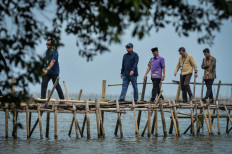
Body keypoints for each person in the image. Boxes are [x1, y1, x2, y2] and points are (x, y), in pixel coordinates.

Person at [41, 39, 65, 103]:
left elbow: (52, 62)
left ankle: (62, 100)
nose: (47, 45)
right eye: (46, 44)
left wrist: (46, 69)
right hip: (48, 72)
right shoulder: (47, 51)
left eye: (48, 44)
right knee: (44, 84)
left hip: (54, 72)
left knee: (56, 85)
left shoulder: (55, 52)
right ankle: (42, 100)